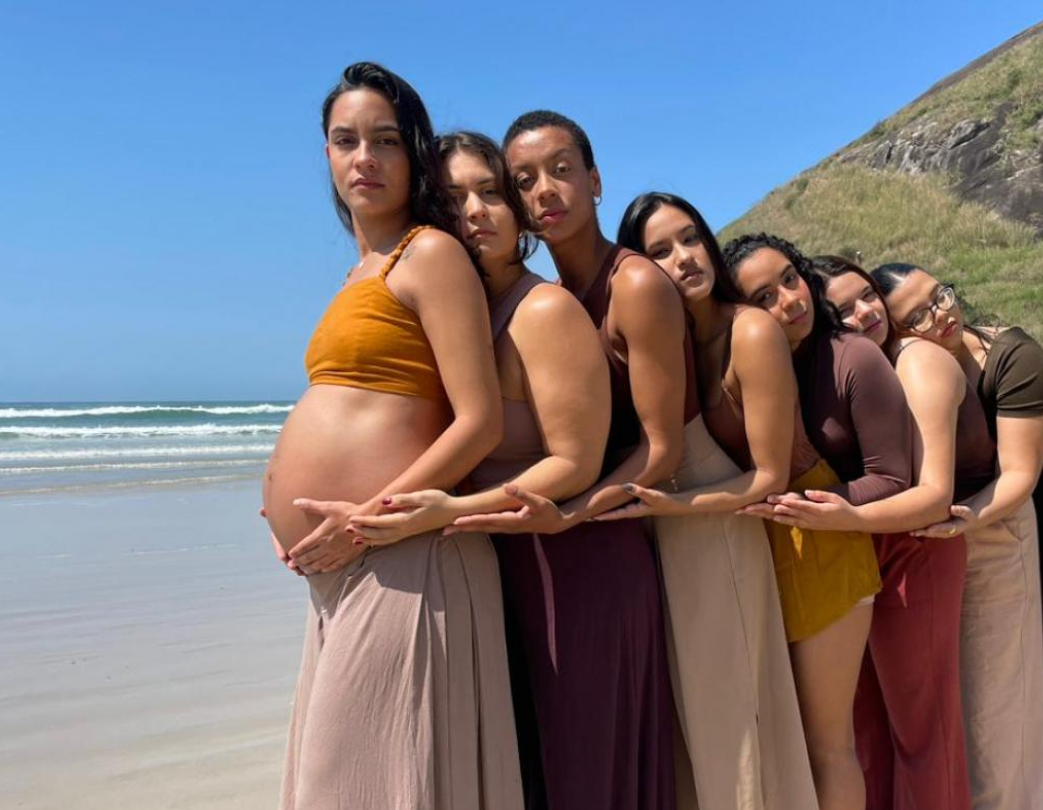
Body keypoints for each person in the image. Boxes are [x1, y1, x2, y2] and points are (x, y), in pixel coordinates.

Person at [457, 112, 815, 810]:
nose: (544, 191)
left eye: (562, 169)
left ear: (594, 179)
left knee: (730, 724)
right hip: (640, 512)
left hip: (692, 504)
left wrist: (570, 513)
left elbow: (663, 446)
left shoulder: (635, 285)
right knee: (684, 738)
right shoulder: (553, 294)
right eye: (523, 180)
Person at [352, 131, 675, 810]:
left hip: (577, 566)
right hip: (512, 568)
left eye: (490, 191)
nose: (475, 211)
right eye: (453, 198)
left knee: (584, 774)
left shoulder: (544, 309)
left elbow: (575, 461)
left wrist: (451, 511)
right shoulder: (465, 313)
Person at [264, 63, 520, 810]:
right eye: (346, 141)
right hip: (354, 560)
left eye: (383, 140)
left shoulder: (428, 255)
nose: (364, 158)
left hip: (403, 553)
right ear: (327, 158)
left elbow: (479, 421)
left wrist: (365, 517)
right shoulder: (360, 275)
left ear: (412, 154)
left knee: (355, 784)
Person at [615, 193, 880, 810]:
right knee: (774, 725)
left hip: (811, 533)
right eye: (660, 251)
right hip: (763, 538)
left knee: (826, 743)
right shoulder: (686, 339)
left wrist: (671, 508)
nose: (683, 259)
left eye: (690, 239)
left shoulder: (750, 329)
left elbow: (766, 474)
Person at [879, 264, 1043, 810]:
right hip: (1017, 519)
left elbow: (1019, 475)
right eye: (919, 315)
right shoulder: (909, 370)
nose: (943, 313)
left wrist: (958, 519)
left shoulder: (1012, 356)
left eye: (941, 294)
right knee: (1033, 671)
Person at [750, 254, 977, 810]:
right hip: (856, 556)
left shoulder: (912, 362)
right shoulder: (813, 364)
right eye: (844, 308)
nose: (863, 313)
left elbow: (929, 495)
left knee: (923, 727)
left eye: (869, 297)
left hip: (915, 546)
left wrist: (844, 514)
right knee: (865, 728)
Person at [721, 232, 914, 810]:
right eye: (764, 297)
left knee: (828, 743)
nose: (789, 298)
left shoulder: (851, 355)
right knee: (789, 735)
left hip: (835, 553)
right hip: (776, 552)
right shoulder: (761, 362)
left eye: (789, 278)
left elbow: (893, 478)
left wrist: (822, 504)